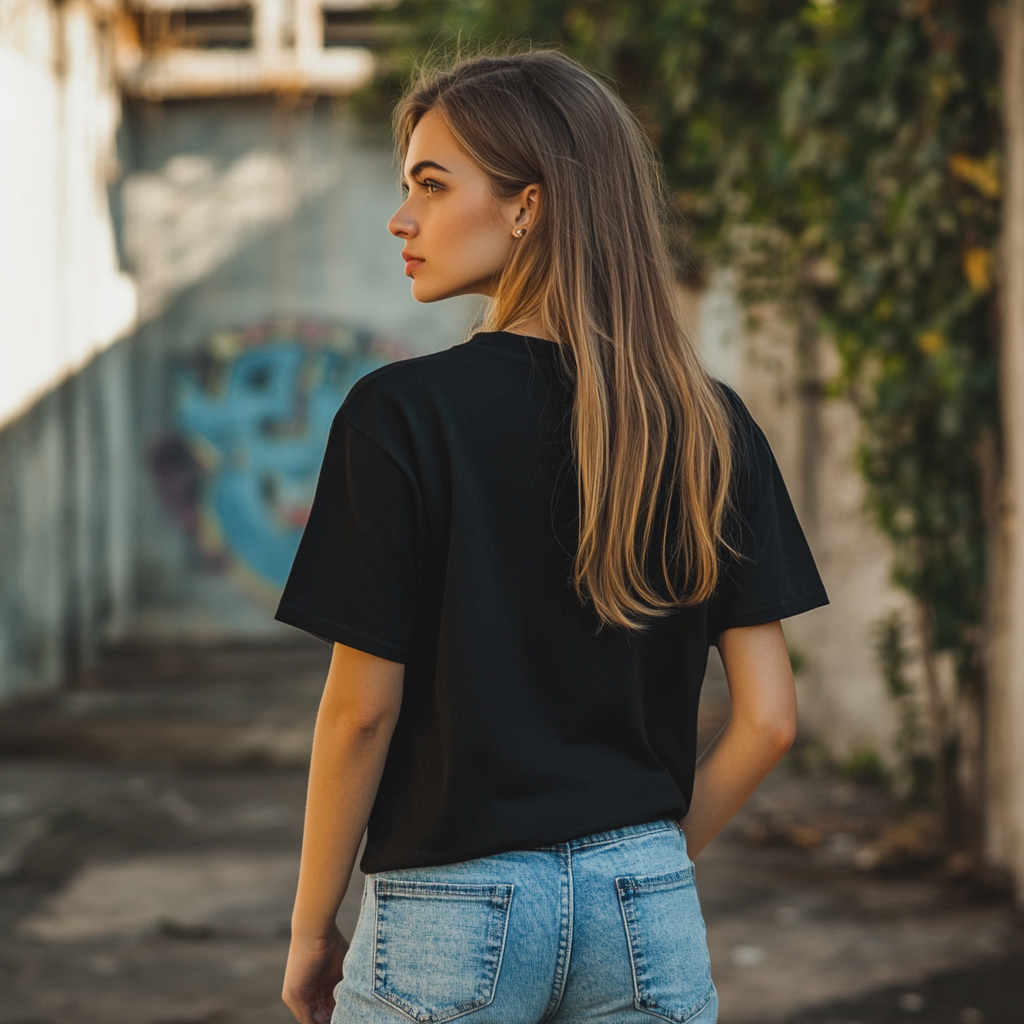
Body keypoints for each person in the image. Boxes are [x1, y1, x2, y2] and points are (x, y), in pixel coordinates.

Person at [275, 49, 828, 1024]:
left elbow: (360, 711)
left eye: (431, 186)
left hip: (451, 911)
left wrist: (312, 927)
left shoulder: (400, 415)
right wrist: (643, 867)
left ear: (528, 205)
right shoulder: (705, 421)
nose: (401, 219)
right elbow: (769, 717)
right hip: (646, 905)